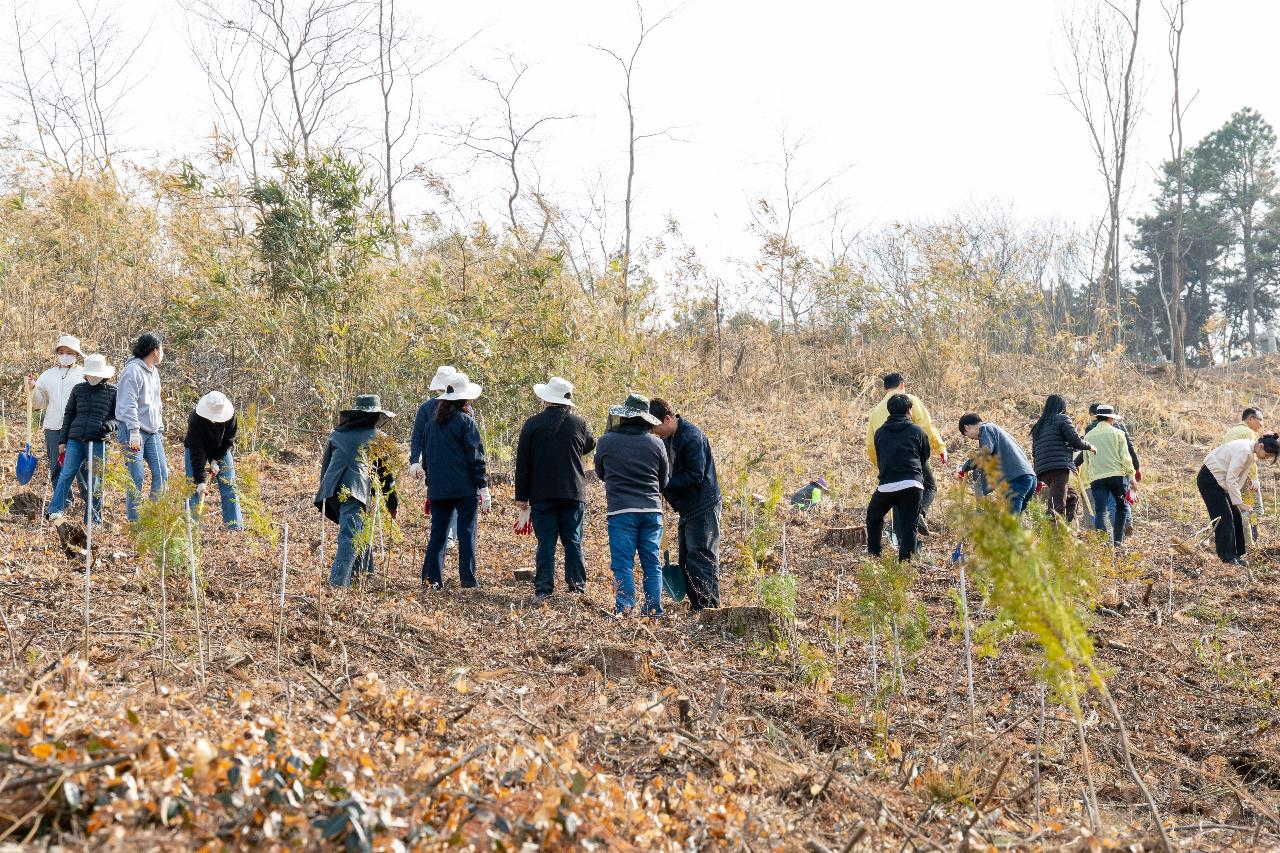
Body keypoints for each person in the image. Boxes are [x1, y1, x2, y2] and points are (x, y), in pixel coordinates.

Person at [514, 376, 596, 603]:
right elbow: (589, 444)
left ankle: (543, 589)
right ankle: (577, 587)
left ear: (546, 400)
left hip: (542, 493)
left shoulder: (532, 424)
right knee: (573, 540)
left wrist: (521, 496)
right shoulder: (579, 423)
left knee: (546, 542)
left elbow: (523, 462)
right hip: (573, 491)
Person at [595, 392, 668, 617]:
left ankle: (625, 609)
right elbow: (663, 480)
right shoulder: (657, 444)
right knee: (652, 563)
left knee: (623, 564)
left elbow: (600, 473)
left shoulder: (606, 441)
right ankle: (653, 610)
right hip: (651, 511)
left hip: (621, 510)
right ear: (646, 419)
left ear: (624, 416)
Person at [315, 394, 399, 589]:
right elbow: (386, 477)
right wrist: (392, 504)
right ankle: (337, 584)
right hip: (355, 491)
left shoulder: (336, 433)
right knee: (350, 536)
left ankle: (365, 573)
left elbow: (325, 468)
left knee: (360, 529)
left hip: (332, 490)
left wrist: (326, 492)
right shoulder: (378, 437)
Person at [650, 398, 722, 611]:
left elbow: (694, 474)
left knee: (701, 556)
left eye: (656, 427)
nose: (655, 432)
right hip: (688, 507)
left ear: (668, 419)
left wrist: (665, 485)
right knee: (686, 560)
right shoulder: (667, 439)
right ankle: (696, 605)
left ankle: (709, 607)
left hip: (704, 504)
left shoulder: (691, 436)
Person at [421, 374, 490, 591]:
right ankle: (468, 580)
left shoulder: (431, 425)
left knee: (438, 534)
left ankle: (432, 580)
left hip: (438, 488)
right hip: (463, 488)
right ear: (464, 400)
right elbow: (475, 457)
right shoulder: (466, 422)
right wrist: (483, 486)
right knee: (466, 532)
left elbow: (427, 458)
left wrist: (430, 483)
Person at [865, 373, 946, 538]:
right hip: (911, 457)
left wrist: (880, 464)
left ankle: (902, 542)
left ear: (884, 388)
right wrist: (939, 447)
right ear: (902, 385)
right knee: (930, 487)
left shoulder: (876, 411)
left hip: (888, 463)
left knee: (896, 498)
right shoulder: (910, 400)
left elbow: (870, 443)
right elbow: (925, 428)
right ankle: (919, 514)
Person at [46, 354, 117, 526]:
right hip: (75, 440)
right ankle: (55, 510)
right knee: (66, 474)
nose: (93, 377)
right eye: (90, 374)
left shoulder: (113, 391)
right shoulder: (78, 389)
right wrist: (62, 440)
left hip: (99, 441)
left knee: (96, 481)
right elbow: (69, 415)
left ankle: (93, 519)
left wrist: (110, 425)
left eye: (96, 374)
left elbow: (118, 417)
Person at [1198, 432, 1280, 568]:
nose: (1266, 458)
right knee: (1224, 518)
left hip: (1219, 481)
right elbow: (1231, 479)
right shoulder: (1244, 451)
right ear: (1260, 446)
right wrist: (1241, 503)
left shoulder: (1251, 447)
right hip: (1210, 480)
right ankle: (1227, 557)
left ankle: (1237, 554)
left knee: (1236, 516)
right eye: (1266, 455)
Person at [867, 394, 930, 562]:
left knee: (873, 518)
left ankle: (874, 556)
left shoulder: (879, 433)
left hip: (886, 485)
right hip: (912, 484)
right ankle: (905, 564)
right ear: (909, 411)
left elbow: (880, 457)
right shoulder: (918, 431)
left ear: (889, 411)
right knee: (910, 525)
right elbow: (924, 457)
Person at [28, 334, 88, 508]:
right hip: (54, 426)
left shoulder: (84, 374)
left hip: (78, 426)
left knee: (82, 465)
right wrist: (32, 387)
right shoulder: (48, 375)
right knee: (56, 465)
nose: (65, 355)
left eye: (69, 352)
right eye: (61, 352)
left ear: (76, 354)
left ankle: (88, 498)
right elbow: (39, 403)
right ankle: (64, 500)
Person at [116, 332, 169, 522]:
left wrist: (159, 428)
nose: (162, 353)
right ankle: (135, 519)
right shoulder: (132, 371)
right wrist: (133, 431)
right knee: (136, 476)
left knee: (162, 473)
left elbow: (157, 404)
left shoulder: (154, 371)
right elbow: (127, 403)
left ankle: (152, 516)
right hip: (133, 431)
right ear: (154, 350)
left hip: (153, 432)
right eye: (161, 349)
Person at [409, 365, 461, 548]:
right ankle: (444, 535)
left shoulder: (463, 407)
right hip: (434, 463)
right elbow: (417, 436)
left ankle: (451, 535)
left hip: (456, 462)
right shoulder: (426, 408)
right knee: (440, 499)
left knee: (455, 499)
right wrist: (414, 461)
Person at [183, 391, 243, 530]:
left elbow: (228, 440)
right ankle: (193, 527)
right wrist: (201, 481)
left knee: (229, 484)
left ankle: (234, 526)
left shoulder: (231, 417)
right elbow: (196, 450)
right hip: (196, 449)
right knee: (193, 487)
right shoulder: (195, 419)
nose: (214, 420)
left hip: (220, 449)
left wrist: (216, 459)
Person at [1030, 394, 1095, 521]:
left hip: (1042, 470)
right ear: (1061, 406)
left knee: (1072, 496)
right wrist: (1090, 446)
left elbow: (1034, 452)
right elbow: (1075, 440)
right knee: (1057, 505)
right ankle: (1052, 534)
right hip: (1058, 468)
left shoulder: (1039, 425)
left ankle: (1065, 528)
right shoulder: (1062, 419)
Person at [958, 413, 1038, 514]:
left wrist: (966, 466)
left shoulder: (985, 429)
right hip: (1029, 478)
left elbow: (985, 454)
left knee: (1011, 522)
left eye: (968, 436)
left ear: (967, 427)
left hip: (1016, 480)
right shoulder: (997, 431)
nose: (971, 439)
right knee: (1014, 523)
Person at [1080, 405, 1136, 546]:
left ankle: (1102, 541)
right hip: (1116, 476)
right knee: (1121, 507)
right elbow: (1125, 457)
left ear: (1097, 418)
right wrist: (1132, 476)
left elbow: (1086, 461)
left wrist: (1089, 478)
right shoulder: (1118, 433)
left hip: (1096, 478)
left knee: (1100, 511)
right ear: (1111, 418)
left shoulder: (1088, 436)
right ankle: (1117, 541)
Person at [1219, 407, 1265, 544]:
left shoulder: (1231, 431)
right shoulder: (1248, 432)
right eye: (1260, 419)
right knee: (1255, 509)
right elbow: (1250, 459)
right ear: (1250, 419)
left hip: (1228, 475)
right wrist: (1254, 479)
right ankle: (1249, 542)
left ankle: (1234, 540)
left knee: (1234, 509)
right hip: (1243, 477)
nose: (1262, 424)